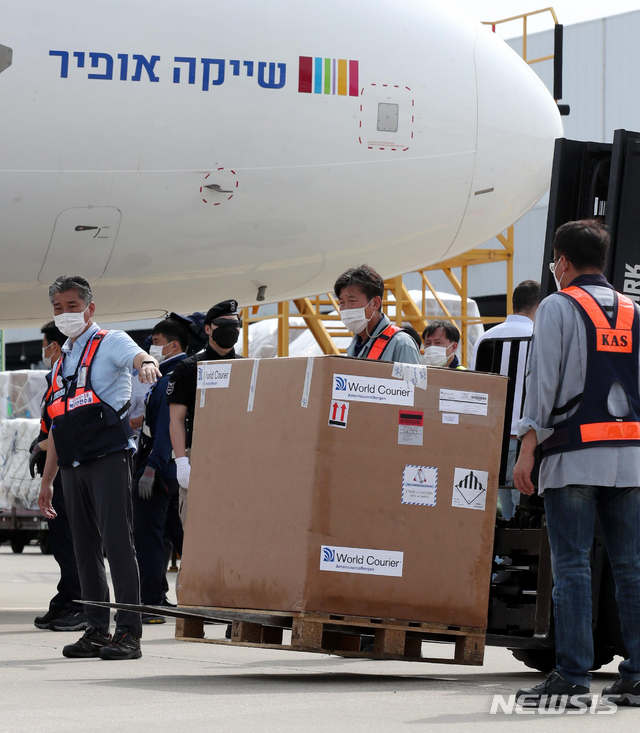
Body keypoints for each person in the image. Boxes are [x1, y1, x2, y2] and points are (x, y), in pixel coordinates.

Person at [513, 220, 640, 708]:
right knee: (630, 566)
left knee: (572, 566)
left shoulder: (558, 307)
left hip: (573, 456)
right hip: (629, 458)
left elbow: (541, 383)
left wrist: (526, 449)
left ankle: (571, 675)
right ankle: (636, 673)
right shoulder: (633, 309)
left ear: (562, 262)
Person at [38, 275, 162, 661]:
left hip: (108, 457)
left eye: (72, 306)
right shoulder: (62, 360)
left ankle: (128, 632)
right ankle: (96, 629)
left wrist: (148, 365)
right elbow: (58, 423)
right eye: (58, 308)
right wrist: (47, 480)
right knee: (83, 548)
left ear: (89, 308)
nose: (65, 314)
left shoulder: (112, 341)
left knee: (117, 543)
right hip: (73, 464)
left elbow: (139, 357)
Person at [30, 322, 86, 632]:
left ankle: (81, 604)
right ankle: (66, 599)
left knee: (73, 541)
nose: (44, 350)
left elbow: (66, 424)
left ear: (55, 345)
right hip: (57, 467)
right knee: (62, 540)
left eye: (45, 344)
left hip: (70, 469)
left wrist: (42, 444)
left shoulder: (72, 375)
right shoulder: (56, 375)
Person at [470, 280, 541, 520]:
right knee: (526, 514)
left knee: (502, 513)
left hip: (491, 442)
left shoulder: (485, 340)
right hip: (527, 443)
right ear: (539, 307)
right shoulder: (538, 338)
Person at [132, 319, 188, 623]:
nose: (150, 347)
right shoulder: (173, 374)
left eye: (155, 340)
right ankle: (204, 592)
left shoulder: (170, 377)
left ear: (172, 345)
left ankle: (152, 601)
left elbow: (167, 427)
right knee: (176, 535)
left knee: (148, 537)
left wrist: (151, 467)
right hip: (168, 469)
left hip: (158, 467)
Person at [167, 300, 242, 524]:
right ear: (208, 328)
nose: (230, 328)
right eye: (222, 323)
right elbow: (176, 420)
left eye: (235, 324)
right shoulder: (188, 369)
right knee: (196, 530)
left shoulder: (247, 366)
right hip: (198, 456)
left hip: (236, 457)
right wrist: (182, 462)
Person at [335, 265, 420, 363]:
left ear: (375, 303)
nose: (345, 309)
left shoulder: (401, 344)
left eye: (352, 301)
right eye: (342, 303)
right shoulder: (355, 345)